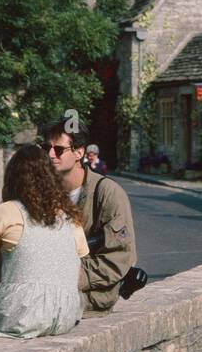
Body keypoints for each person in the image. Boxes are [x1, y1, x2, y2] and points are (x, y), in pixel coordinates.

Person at [0, 144, 89, 340]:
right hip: (66, 313)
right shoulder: (70, 216)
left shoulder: (6, 211)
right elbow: (78, 272)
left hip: (21, 313)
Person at [40, 119, 137, 315]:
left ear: (79, 152)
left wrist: (63, 277)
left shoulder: (107, 193)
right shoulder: (40, 193)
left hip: (90, 301)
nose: (50, 154)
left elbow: (118, 259)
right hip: (45, 294)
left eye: (58, 150)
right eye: (46, 148)